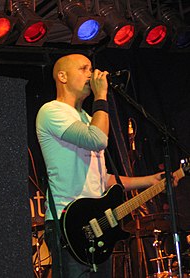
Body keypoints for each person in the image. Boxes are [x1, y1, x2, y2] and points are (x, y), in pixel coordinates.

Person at [36, 54, 177, 278]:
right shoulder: (52, 111)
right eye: (84, 69)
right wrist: (101, 96)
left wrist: (150, 180)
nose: (91, 74)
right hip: (69, 223)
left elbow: (103, 178)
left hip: (95, 223)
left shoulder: (89, 117)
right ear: (62, 76)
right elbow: (98, 139)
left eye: (91, 69)